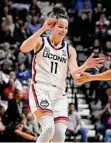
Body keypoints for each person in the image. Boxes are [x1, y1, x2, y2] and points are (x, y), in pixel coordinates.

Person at [20, 7, 104, 143]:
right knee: (48, 129)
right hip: (41, 89)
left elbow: (75, 74)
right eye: (60, 27)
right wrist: (42, 29)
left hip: (59, 94)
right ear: (52, 26)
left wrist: (85, 67)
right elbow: (23, 48)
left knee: (59, 135)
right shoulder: (41, 42)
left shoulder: (70, 50)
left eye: (66, 28)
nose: (64, 31)